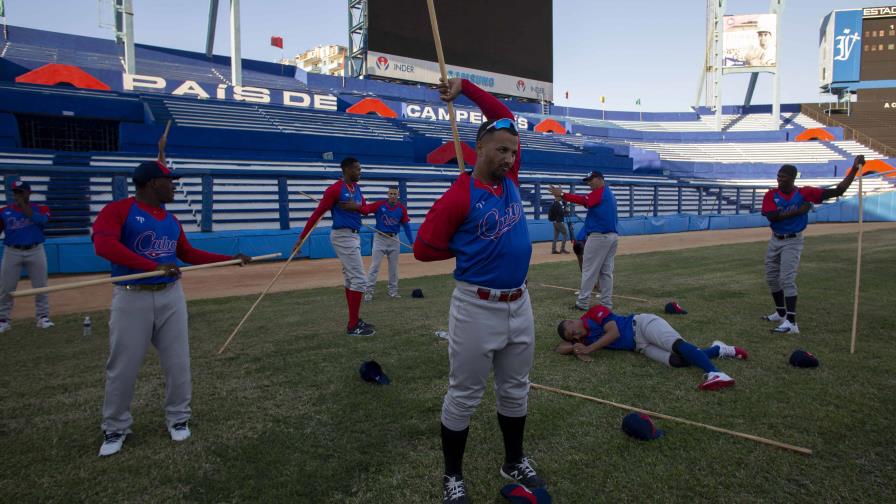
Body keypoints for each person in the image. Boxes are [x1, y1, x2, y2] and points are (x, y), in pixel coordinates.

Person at [414, 77, 545, 503]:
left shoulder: (510, 179)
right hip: (476, 307)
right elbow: (423, 249)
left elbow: (500, 113)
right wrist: (466, 245)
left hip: (519, 303)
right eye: (501, 150)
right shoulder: (459, 195)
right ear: (480, 148)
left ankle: (514, 460)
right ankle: (453, 476)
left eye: (513, 152)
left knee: (516, 388)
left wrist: (465, 86)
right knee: (464, 394)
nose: (509, 158)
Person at [92, 133, 251, 457]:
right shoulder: (119, 210)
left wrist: (229, 259)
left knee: (178, 362)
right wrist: (152, 265)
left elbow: (187, 254)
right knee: (123, 366)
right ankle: (115, 427)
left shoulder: (171, 219)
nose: (174, 187)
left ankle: (178, 418)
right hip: (132, 296)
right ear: (153, 184)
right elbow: (104, 245)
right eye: (170, 182)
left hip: (170, 295)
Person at [761, 156, 864, 334]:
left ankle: (791, 322)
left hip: (793, 240)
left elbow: (838, 191)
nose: (779, 180)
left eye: (783, 177)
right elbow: (772, 216)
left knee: (787, 278)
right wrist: (798, 211)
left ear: (792, 178)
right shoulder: (771, 194)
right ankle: (780, 312)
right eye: (778, 176)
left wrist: (854, 169)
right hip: (775, 238)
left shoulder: (805, 193)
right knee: (771, 277)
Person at [556, 305, 747, 390]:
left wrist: (589, 349)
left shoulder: (593, 313)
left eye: (572, 332)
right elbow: (559, 348)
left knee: (678, 346)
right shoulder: (582, 338)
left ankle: (716, 373)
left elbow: (614, 333)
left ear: (572, 321)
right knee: (677, 361)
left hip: (642, 325)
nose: (576, 337)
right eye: (572, 337)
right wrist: (574, 347)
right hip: (640, 346)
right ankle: (718, 349)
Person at [295, 157, 376, 336]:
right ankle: (353, 326)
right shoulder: (334, 190)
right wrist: (301, 238)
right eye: (357, 169)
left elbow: (366, 210)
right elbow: (317, 214)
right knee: (359, 280)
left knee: (350, 279)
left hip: (354, 235)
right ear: (346, 169)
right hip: (343, 236)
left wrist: (356, 206)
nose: (360, 172)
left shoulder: (357, 188)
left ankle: (354, 320)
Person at [549, 171, 618, 310]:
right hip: (611, 236)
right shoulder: (608, 193)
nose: (589, 183)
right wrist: (562, 196)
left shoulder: (600, 192)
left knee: (589, 270)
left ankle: (582, 303)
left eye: (591, 180)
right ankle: (606, 304)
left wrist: (563, 194)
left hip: (599, 236)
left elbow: (584, 200)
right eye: (587, 181)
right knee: (606, 272)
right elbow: (587, 203)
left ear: (600, 179)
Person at [0, 180, 53, 332]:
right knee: (6, 287)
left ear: (28, 193)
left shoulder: (41, 208)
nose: (17, 195)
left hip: (35, 249)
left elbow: (41, 220)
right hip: (12, 251)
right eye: (15, 192)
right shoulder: (4, 211)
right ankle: (3, 319)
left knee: (40, 285)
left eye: (20, 192)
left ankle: (42, 317)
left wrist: (23, 205)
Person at [363, 186, 414, 301]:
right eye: (391, 194)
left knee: (393, 268)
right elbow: (365, 209)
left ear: (398, 195)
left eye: (395, 194)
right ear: (388, 194)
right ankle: (369, 292)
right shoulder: (380, 205)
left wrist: (412, 242)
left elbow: (406, 226)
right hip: (380, 239)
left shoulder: (401, 208)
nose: (393, 196)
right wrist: (355, 212)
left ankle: (393, 292)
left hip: (394, 239)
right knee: (374, 266)